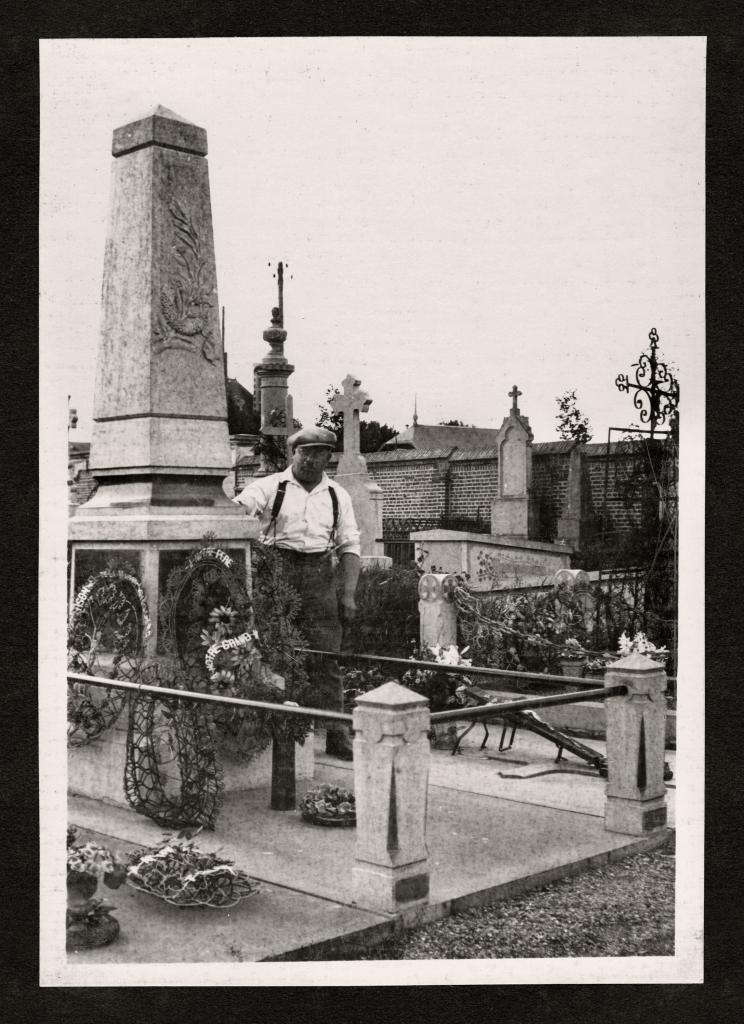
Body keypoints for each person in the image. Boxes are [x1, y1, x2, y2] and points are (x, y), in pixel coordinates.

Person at [233, 426, 361, 759]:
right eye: (304, 452)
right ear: (294, 454)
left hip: (320, 575)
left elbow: (349, 545)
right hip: (276, 569)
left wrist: (348, 594)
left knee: (325, 655)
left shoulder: (337, 495)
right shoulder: (268, 487)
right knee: (275, 649)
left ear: (327, 457)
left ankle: (336, 731)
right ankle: (276, 730)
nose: (310, 459)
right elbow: (236, 513)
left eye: (318, 453)